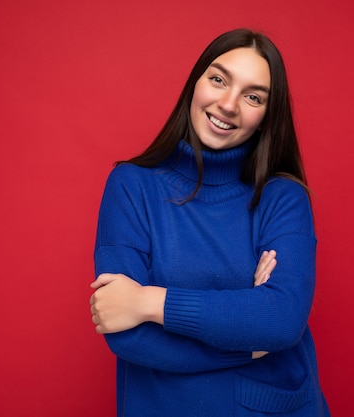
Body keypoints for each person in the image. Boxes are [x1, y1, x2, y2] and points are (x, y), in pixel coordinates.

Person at [90, 28, 330, 416]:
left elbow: (283, 320)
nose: (228, 104)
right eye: (218, 79)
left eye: (253, 96)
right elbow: (126, 333)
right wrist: (250, 344)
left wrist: (149, 302)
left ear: (268, 115)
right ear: (195, 84)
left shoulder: (283, 197)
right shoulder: (131, 186)